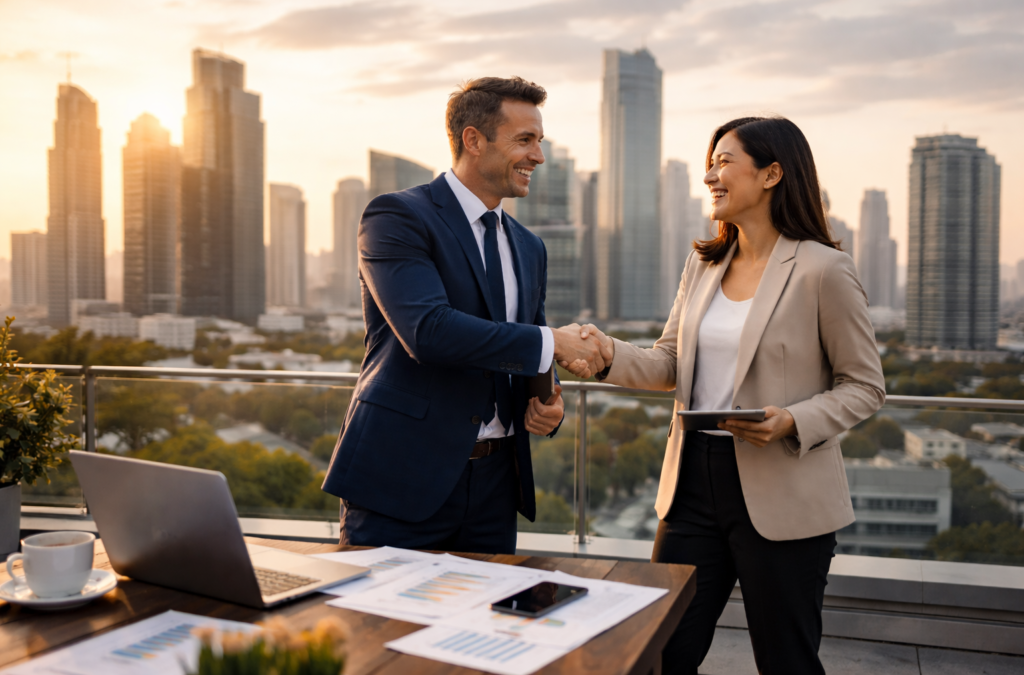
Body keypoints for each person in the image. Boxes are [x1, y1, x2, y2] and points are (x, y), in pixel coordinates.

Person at [563, 117, 885, 674]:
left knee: (786, 661)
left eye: (724, 161)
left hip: (782, 486)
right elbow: (670, 362)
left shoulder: (823, 270)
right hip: (690, 483)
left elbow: (864, 386)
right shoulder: (704, 264)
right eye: (709, 162)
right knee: (662, 650)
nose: (711, 175)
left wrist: (792, 420)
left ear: (772, 174)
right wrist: (606, 352)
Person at [321, 77, 607, 555]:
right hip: (402, 482)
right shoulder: (397, 217)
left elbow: (526, 345)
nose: (538, 156)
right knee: (382, 627)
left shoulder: (529, 246)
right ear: (474, 140)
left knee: (491, 625)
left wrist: (547, 402)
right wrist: (552, 342)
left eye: (540, 141)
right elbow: (427, 331)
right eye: (525, 140)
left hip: (496, 488)